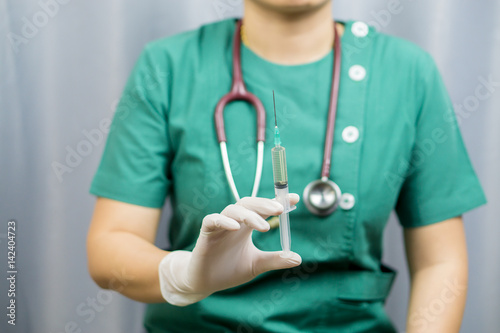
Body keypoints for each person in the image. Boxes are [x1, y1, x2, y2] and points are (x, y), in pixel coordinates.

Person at [86, 0, 487, 332]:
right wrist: (186, 274)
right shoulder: (168, 66)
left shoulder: (408, 73)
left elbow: (441, 262)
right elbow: (109, 249)